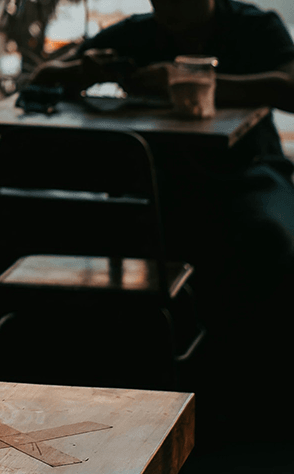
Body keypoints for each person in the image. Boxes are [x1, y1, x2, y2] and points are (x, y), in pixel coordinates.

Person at [28, 0, 294, 354]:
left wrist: (189, 81)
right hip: (166, 177)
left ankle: (252, 365)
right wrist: (84, 71)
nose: (167, 7)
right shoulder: (138, 32)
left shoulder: (253, 27)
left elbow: (289, 86)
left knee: (269, 238)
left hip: (250, 168)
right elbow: (45, 75)